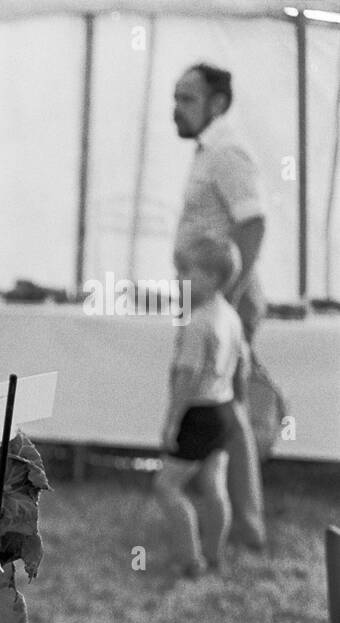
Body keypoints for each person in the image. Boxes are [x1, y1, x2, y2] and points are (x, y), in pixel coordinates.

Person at [172, 63, 267, 550]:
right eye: (176, 97)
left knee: (229, 414)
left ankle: (246, 524)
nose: (176, 108)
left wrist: (224, 306)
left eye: (188, 98)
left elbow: (252, 226)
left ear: (218, 103)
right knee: (217, 408)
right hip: (209, 304)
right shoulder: (208, 150)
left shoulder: (227, 151)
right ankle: (221, 513)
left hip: (225, 304)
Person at [156, 235, 248, 579]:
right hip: (222, 409)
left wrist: (171, 422)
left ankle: (190, 559)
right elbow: (243, 363)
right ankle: (214, 554)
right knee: (214, 484)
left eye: (185, 272)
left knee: (166, 486)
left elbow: (186, 377)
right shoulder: (230, 316)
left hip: (198, 413)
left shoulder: (197, 322)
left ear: (210, 277)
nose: (178, 280)